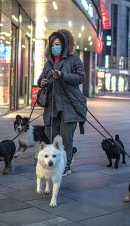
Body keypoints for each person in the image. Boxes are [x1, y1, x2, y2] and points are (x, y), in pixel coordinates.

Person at [38, 29, 87, 176]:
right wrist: (42, 82)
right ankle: (67, 154)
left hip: (70, 106)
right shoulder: (49, 63)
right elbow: (40, 79)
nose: (55, 47)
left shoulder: (74, 60)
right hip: (52, 106)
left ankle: (66, 164)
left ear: (65, 45)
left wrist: (63, 75)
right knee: (51, 135)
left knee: (66, 138)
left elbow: (81, 77)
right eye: (53, 44)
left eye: (58, 44)